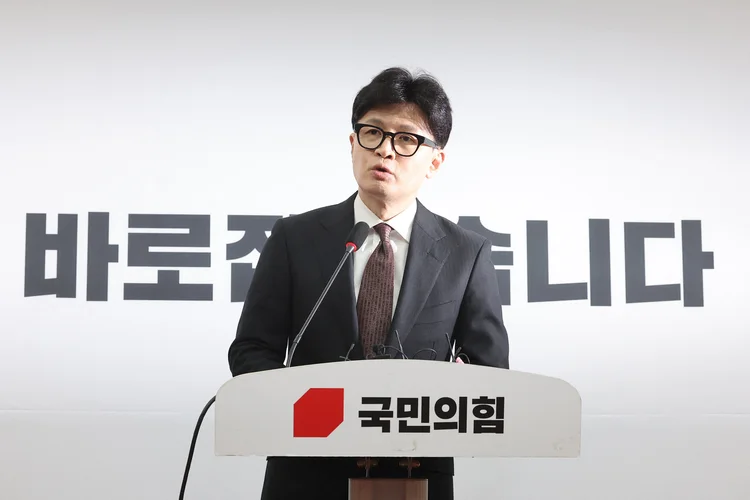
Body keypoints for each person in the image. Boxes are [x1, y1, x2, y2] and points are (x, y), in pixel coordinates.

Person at [228, 67, 510, 500]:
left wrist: (457, 389)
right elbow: (252, 350)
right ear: (352, 144)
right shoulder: (295, 238)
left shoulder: (466, 253)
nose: (386, 151)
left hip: (419, 472)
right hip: (305, 470)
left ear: (435, 161)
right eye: (373, 133)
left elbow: (490, 373)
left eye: (407, 139)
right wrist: (306, 408)